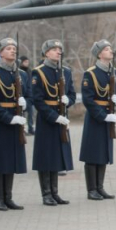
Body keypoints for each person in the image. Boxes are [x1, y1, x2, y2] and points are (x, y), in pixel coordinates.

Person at [32, 40, 76, 206]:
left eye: (59, 49)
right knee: (46, 157)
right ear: (46, 53)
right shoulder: (39, 72)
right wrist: (54, 117)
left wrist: (68, 101)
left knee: (57, 156)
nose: (58, 52)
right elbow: (38, 100)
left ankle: (55, 193)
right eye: (54, 49)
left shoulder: (66, 71)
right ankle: (46, 194)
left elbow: (72, 94)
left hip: (62, 117)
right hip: (47, 120)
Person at [79, 40, 116, 200]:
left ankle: (100, 187)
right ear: (99, 54)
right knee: (92, 153)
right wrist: (103, 116)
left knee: (104, 153)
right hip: (95, 119)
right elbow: (88, 99)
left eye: (111, 48)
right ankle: (91, 189)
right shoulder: (90, 73)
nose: (111, 51)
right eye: (106, 49)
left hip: (110, 117)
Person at [0, 38, 29, 211]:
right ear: (0, 53)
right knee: (0, 162)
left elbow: (29, 96)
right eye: (8, 48)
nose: (12, 51)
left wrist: (25, 104)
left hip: (17, 121)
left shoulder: (21, 75)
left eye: (14, 48)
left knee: (12, 161)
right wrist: (9, 118)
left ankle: (8, 197)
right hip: (0, 124)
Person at [19, 55, 35, 135]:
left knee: (31, 114)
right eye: (25, 62)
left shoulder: (29, 71)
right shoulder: (19, 71)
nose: (27, 63)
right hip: (22, 96)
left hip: (29, 96)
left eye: (28, 62)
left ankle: (30, 128)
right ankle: (23, 129)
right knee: (22, 114)